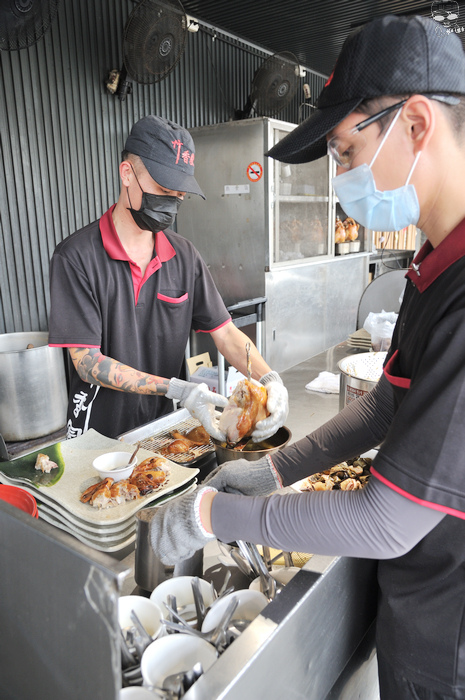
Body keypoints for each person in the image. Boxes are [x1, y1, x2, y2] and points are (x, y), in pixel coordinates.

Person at [150, 15, 465, 700]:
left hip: (450, 633)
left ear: (415, 125)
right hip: (420, 602)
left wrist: (210, 517)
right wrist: (271, 471)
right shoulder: (433, 263)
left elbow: (385, 519)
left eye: (345, 152)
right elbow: (387, 402)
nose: (340, 174)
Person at [48, 115, 288, 440]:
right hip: (98, 435)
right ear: (127, 174)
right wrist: (175, 387)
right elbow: (87, 362)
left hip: (164, 429)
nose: (171, 203)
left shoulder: (184, 256)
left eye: (179, 195)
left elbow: (226, 333)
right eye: (163, 188)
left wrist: (270, 379)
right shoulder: (76, 257)